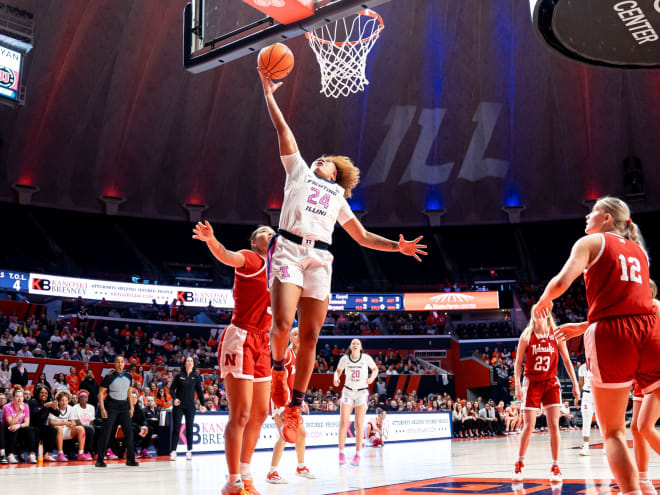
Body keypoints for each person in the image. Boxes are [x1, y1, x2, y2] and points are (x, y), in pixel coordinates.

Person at [259, 71, 427, 446]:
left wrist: (397, 247)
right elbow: (283, 131)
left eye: (326, 161)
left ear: (335, 174)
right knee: (284, 321)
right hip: (288, 247)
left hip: (320, 258)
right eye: (318, 158)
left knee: (312, 335)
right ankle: (277, 372)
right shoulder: (298, 172)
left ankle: (294, 409)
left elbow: (363, 237)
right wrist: (269, 94)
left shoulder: (337, 197)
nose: (319, 160)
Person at [534, 196, 660, 494]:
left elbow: (562, 281)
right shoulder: (639, 252)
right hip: (651, 330)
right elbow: (632, 300)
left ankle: (632, 491)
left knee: (614, 430)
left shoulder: (589, 243)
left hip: (614, 335)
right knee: (643, 425)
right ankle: (643, 481)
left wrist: (543, 301)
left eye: (593, 212)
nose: (587, 217)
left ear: (606, 217)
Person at [192, 222, 275, 495]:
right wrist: (211, 241)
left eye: (272, 232)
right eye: (263, 232)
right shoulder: (251, 259)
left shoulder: (283, 273)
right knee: (240, 413)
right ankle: (233, 481)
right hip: (241, 337)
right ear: (254, 242)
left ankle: (247, 472)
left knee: (261, 412)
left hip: (264, 340)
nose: (269, 233)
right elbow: (227, 256)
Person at [512, 308, 579, 483]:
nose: (539, 315)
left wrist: (575, 383)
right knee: (528, 426)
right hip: (532, 383)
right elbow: (518, 362)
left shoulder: (556, 335)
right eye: (536, 312)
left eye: (543, 312)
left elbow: (566, 359)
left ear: (547, 315)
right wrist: (517, 386)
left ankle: (555, 467)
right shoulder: (527, 336)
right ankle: (519, 463)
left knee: (554, 426)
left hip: (551, 383)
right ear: (533, 315)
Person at [266, 327, 316, 484]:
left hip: (291, 402)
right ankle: (272, 472)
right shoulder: (286, 354)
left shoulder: (300, 356)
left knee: (301, 433)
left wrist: (301, 401)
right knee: (284, 435)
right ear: (290, 338)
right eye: (293, 334)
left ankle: (300, 467)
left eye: (298, 334)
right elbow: (273, 376)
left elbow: (296, 383)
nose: (296, 336)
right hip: (279, 400)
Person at [333, 339, 378, 466]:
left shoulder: (366, 358)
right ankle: (341, 453)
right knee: (343, 422)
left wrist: (372, 377)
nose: (355, 344)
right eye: (353, 343)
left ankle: (358, 454)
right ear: (350, 346)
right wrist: (336, 378)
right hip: (348, 391)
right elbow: (337, 372)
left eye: (357, 343)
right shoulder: (345, 359)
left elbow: (375, 370)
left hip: (362, 392)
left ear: (360, 347)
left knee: (359, 424)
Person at [95, 355, 139, 467]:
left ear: (124, 364)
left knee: (129, 432)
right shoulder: (109, 377)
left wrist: (132, 407)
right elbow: (100, 393)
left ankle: (130, 459)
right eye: (118, 362)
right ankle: (100, 460)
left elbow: (129, 392)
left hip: (124, 406)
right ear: (114, 364)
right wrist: (102, 408)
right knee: (107, 432)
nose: (120, 364)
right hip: (111, 405)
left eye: (122, 362)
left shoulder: (129, 376)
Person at [169, 356, 205, 461]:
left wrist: (203, 404)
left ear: (193, 364)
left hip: (190, 406)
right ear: (184, 364)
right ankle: (173, 451)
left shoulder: (196, 377)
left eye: (191, 361)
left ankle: (189, 451)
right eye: (187, 361)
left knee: (189, 428)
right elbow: (171, 389)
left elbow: (199, 392)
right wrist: (174, 399)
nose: (189, 362)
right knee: (176, 428)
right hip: (179, 405)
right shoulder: (179, 376)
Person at [48, 390, 91, 461]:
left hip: (66, 430)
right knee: (59, 428)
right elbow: (51, 422)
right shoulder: (54, 408)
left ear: (68, 401)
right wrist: (64, 423)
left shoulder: (70, 408)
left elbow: (73, 421)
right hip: (55, 431)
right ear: (58, 401)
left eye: (66, 400)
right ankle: (60, 454)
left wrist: (72, 424)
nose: (64, 402)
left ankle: (81, 453)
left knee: (80, 428)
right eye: (62, 400)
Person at [2, 386, 37, 463]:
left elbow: (27, 423)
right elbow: (10, 423)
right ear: (13, 398)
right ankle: (10, 454)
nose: (20, 398)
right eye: (17, 396)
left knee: (30, 429)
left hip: (18, 426)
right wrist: (20, 412)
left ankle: (31, 454)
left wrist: (19, 425)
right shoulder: (7, 407)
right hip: (7, 428)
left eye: (21, 396)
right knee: (13, 428)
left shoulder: (26, 406)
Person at [70, 390, 95, 457]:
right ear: (79, 399)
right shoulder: (75, 408)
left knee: (100, 429)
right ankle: (88, 452)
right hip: (79, 427)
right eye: (81, 397)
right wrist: (88, 426)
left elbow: (91, 421)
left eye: (85, 397)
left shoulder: (91, 407)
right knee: (89, 430)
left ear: (87, 399)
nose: (83, 398)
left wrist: (90, 425)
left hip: (88, 426)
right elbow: (76, 421)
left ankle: (98, 452)